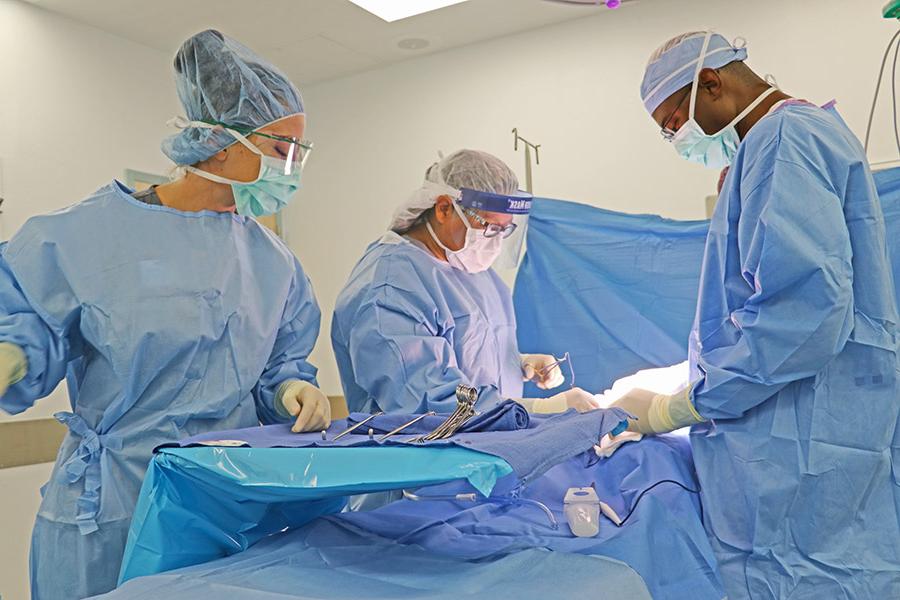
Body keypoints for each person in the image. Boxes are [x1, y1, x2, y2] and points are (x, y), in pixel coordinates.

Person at [0, 30, 331, 600]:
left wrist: (293, 387)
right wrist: (14, 353)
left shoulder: (273, 262)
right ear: (221, 143)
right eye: (283, 149)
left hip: (224, 503)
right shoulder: (82, 236)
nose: (294, 167)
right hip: (112, 509)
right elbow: (30, 328)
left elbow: (279, 361)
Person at [612, 31, 900, 597]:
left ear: (711, 83)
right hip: (816, 420)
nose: (677, 140)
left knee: (807, 575)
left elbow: (805, 311)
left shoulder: (784, 141)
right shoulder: (793, 138)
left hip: (797, 443)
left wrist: (685, 404)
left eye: (673, 125)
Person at [332, 149, 599, 415]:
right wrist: (542, 408)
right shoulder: (390, 287)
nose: (494, 239)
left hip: (486, 445)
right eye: (489, 226)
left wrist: (517, 363)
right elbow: (426, 398)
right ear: (444, 208)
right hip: (422, 454)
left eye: (504, 230)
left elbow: (465, 353)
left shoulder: (473, 270)